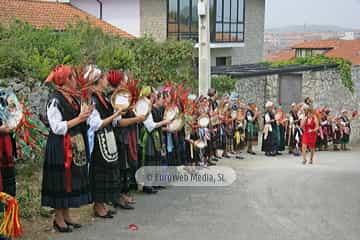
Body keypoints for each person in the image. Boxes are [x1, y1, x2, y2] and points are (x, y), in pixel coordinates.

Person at [41, 65, 92, 233]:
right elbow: (57, 127)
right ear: (64, 81)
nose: (74, 80)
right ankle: (58, 219)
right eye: (71, 77)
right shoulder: (55, 100)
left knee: (69, 180)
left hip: (73, 143)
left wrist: (86, 115)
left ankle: (67, 215)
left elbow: (78, 119)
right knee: (60, 180)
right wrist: (79, 119)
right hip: (60, 146)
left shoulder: (71, 97)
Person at [87, 67, 124, 218]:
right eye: (103, 79)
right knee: (99, 171)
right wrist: (115, 114)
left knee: (107, 169)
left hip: (107, 137)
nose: (106, 81)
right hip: (98, 139)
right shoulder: (92, 100)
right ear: (98, 81)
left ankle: (102, 203)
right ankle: (98, 205)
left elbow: (112, 119)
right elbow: (96, 124)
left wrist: (117, 113)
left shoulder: (103, 98)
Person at [107, 70, 146, 209]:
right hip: (117, 135)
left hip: (122, 135)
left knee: (124, 166)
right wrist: (137, 118)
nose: (125, 83)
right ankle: (117, 196)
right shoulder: (113, 98)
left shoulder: (120, 96)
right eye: (123, 80)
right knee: (119, 167)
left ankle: (122, 194)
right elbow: (118, 122)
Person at [139, 86, 171, 194]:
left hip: (152, 135)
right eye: (153, 93)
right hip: (149, 135)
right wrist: (164, 122)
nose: (155, 95)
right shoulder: (146, 106)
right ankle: (147, 185)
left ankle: (151, 183)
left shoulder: (149, 105)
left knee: (153, 159)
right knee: (149, 159)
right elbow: (150, 125)